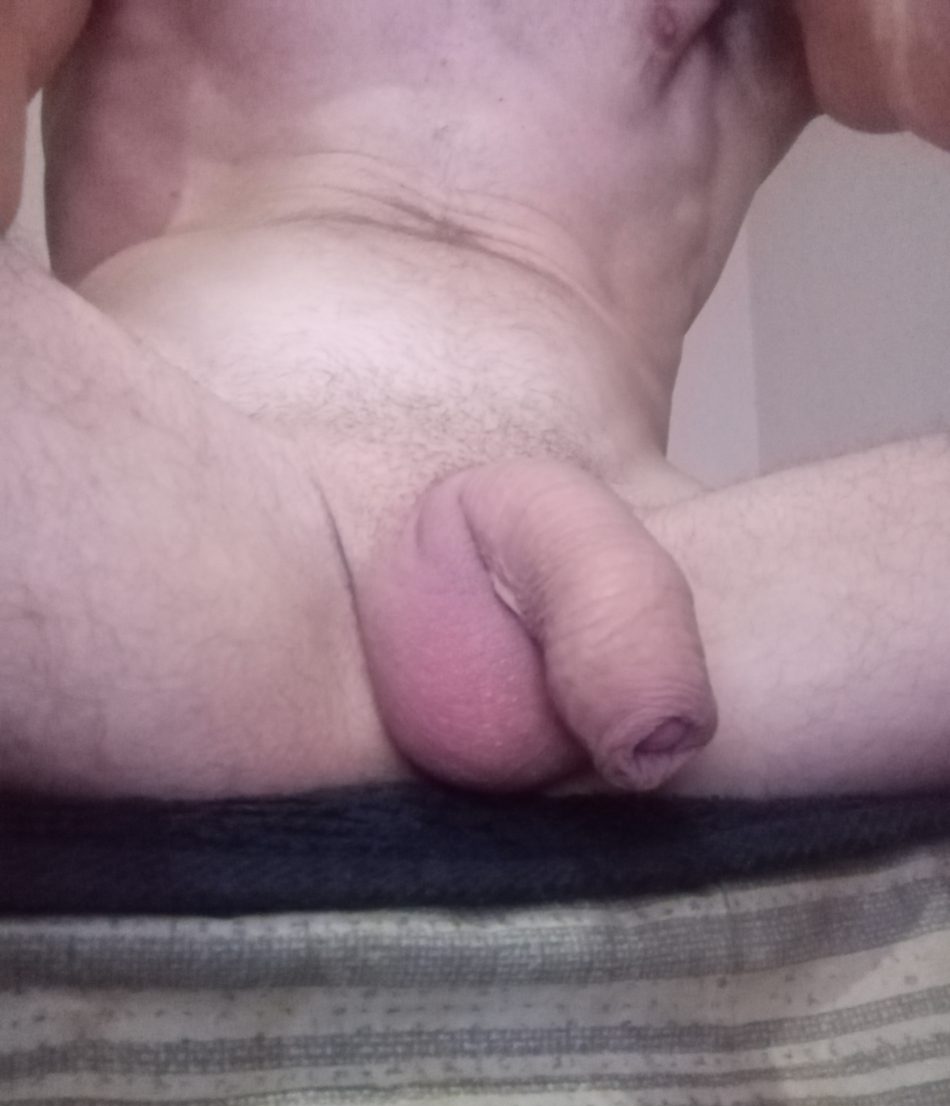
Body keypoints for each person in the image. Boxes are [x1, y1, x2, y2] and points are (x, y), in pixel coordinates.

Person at [0, 0, 948, 800]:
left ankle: (290, 688)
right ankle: (406, 686)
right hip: (191, 501)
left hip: (669, 567)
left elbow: (912, 38)